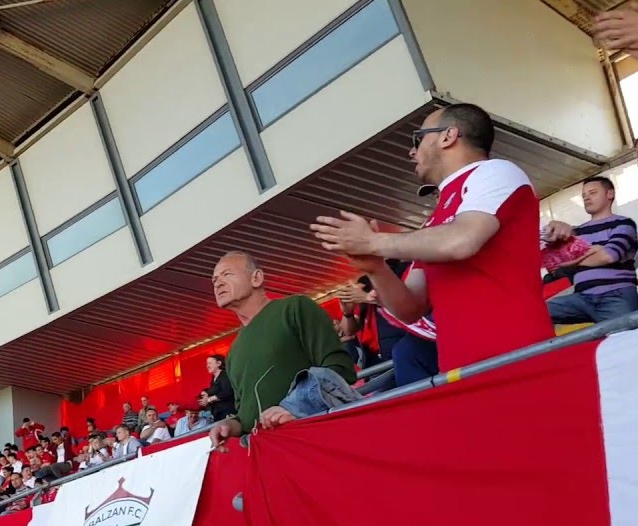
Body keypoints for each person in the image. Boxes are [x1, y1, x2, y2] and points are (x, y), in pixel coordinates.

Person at [313, 103, 552, 372]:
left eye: (418, 138)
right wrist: (376, 268)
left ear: (448, 136)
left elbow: (462, 241)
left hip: (518, 355)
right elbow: (411, 307)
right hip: (459, 368)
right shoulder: (434, 222)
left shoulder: (495, 171)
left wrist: (375, 242)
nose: (411, 151)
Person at [208, 251, 356, 444]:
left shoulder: (295, 308)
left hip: (314, 439)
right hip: (268, 453)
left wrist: (294, 406)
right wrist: (231, 425)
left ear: (257, 278)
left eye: (227, 274)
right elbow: (245, 413)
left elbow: (339, 369)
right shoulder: (233, 351)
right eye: (214, 280)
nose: (218, 283)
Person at [542, 176, 638, 323]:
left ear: (609, 194)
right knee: (534, 313)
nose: (587, 198)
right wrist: (593, 251)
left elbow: (609, 256)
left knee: (625, 341)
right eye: (584, 195)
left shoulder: (624, 223)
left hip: (616, 294)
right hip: (581, 297)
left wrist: (570, 258)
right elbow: (553, 265)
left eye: (593, 192)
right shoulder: (576, 231)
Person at [204, 354, 235, 421]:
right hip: (217, 413)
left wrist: (209, 399)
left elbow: (227, 392)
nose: (207, 366)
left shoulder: (224, 375)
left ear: (219, 363)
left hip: (227, 412)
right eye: (207, 364)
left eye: (210, 363)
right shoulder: (213, 378)